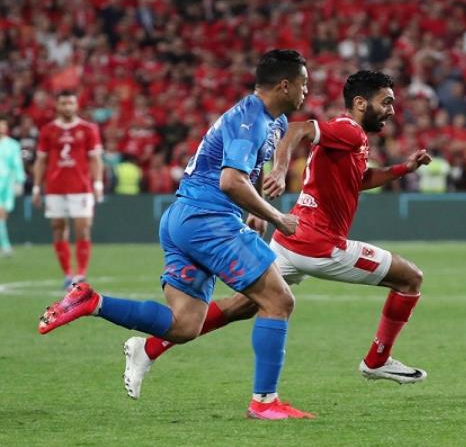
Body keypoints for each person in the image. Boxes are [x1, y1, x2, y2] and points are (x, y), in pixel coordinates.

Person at [38, 49, 315, 421]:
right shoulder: (249, 119)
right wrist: (277, 217)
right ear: (284, 85)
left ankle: (92, 301)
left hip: (184, 218)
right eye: (303, 83)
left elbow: (250, 169)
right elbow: (230, 181)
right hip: (209, 219)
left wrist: (256, 208)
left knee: (185, 325)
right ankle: (264, 402)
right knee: (279, 300)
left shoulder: (273, 120)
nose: (306, 90)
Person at [122, 70, 432, 400]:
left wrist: (404, 168)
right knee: (410, 278)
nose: (391, 110)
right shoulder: (348, 129)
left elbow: (361, 179)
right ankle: (377, 361)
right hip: (319, 244)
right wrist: (281, 169)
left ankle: (149, 348)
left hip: (291, 240)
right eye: (386, 102)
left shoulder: (351, 138)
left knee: (243, 306)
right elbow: (298, 129)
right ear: (360, 103)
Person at [32, 90, 104, 288]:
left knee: (83, 228)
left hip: (81, 187)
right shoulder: (48, 130)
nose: (67, 107)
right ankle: (67, 273)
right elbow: (41, 160)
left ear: (76, 105)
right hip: (55, 187)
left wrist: (98, 183)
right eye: (63, 103)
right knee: (58, 228)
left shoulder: (88, 129)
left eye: (71, 103)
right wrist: (36, 187)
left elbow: (95, 159)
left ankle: (81, 274)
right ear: (57, 105)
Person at [0, 117, 26, 256]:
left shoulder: (13, 145)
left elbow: (17, 164)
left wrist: (19, 181)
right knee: (1, 214)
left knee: (3, 214)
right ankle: (5, 245)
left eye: (3, 125)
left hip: (7, 184)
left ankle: (5, 245)